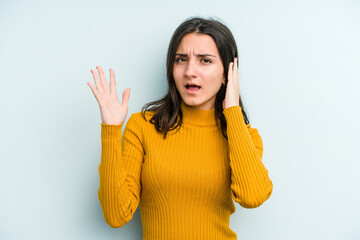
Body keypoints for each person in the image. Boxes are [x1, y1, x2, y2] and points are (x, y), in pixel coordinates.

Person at [87, 16, 273, 240]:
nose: (189, 71)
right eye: (181, 59)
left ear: (227, 73)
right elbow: (116, 215)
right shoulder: (143, 126)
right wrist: (110, 130)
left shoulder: (244, 136)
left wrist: (232, 111)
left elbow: (253, 197)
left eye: (205, 61)